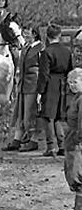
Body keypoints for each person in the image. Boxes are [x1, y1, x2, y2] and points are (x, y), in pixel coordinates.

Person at [26, 24, 72, 155]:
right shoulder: (67, 51)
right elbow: (70, 69)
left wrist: (40, 92)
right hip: (62, 84)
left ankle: (51, 146)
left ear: (47, 36)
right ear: (59, 35)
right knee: (58, 116)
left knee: (47, 116)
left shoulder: (46, 52)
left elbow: (43, 74)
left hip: (50, 84)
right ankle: (62, 146)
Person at [3, 26, 42, 151]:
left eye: (27, 33)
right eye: (23, 33)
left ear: (34, 34)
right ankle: (17, 139)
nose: (25, 35)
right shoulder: (26, 47)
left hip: (33, 86)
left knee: (30, 114)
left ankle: (33, 140)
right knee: (20, 113)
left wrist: (41, 90)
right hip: (23, 85)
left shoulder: (40, 48)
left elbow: (42, 70)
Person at [60, 67, 82, 210]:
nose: (72, 85)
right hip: (71, 138)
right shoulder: (77, 97)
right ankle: (78, 207)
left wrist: (77, 141)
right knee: (71, 172)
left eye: (75, 82)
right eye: (70, 83)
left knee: (77, 174)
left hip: (77, 141)